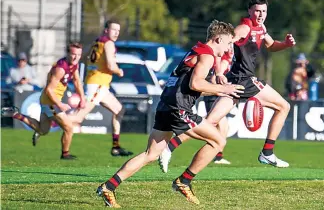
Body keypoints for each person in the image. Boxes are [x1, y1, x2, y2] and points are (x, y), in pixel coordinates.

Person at [96, 20, 244, 208]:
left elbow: (193, 87)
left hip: (166, 105)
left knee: (150, 154)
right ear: (217, 39)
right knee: (218, 141)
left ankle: (109, 186)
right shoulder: (207, 56)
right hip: (178, 108)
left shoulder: (197, 49)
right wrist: (224, 90)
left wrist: (219, 88)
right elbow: (195, 84)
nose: (229, 48)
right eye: (228, 43)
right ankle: (185, 181)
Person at [160, 0, 296, 169]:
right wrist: (217, 71)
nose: (261, 14)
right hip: (244, 80)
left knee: (210, 122)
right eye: (257, 11)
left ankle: (168, 148)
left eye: (264, 11)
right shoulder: (244, 28)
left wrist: (285, 44)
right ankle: (267, 153)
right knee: (284, 106)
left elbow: (271, 46)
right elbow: (219, 45)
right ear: (249, 11)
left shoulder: (260, 28)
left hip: (236, 82)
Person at [1, 43, 85, 159]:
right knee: (69, 127)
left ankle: (16, 115)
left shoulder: (73, 65)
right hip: (51, 101)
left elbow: (76, 81)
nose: (76, 57)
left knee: (42, 130)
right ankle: (65, 154)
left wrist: (82, 98)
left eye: (79, 55)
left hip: (49, 100)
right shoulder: (61, 68)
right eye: (73, 54)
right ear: (67, 54)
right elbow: (50, 89)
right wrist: (60, 104)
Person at [158, 49, 234, 173]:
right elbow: (214, 78)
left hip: (215, 93)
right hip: (214, 94)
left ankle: (217, 156)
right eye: (230, 42)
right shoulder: (222, 56)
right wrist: (224, 87)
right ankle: (170, 148)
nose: (230, 46)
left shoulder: (227, 55)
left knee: (215, 127)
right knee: (207, 126)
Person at [66, 19, 133, 157]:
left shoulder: (97, 42)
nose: (116, 33)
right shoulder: (108, 44)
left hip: (99, 85)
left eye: (118, 30)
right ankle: (48, 122)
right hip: (97, 85)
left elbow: (84, 57)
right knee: (78, 118)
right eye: (113, 29)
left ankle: (116, 146)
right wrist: (119, 71)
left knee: (119, 110)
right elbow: (110, 65)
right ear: (106, 30)